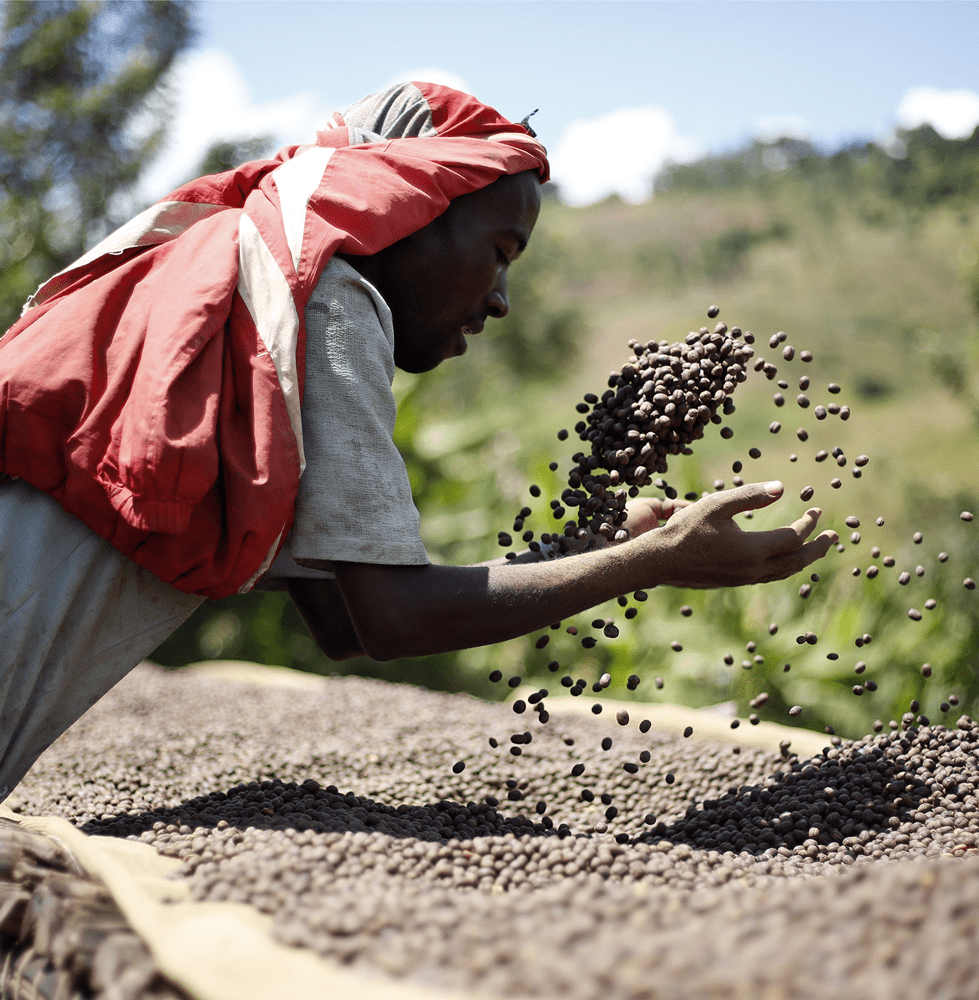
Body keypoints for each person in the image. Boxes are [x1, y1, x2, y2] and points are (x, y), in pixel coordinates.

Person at [0, 83, 837, 801]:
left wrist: (597, 544)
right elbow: (396, 617)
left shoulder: (244, 299)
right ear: (403, 208)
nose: (501, 300)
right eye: (500, 252)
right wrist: (652, 562)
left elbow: (344, 618)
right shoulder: (324, 295)